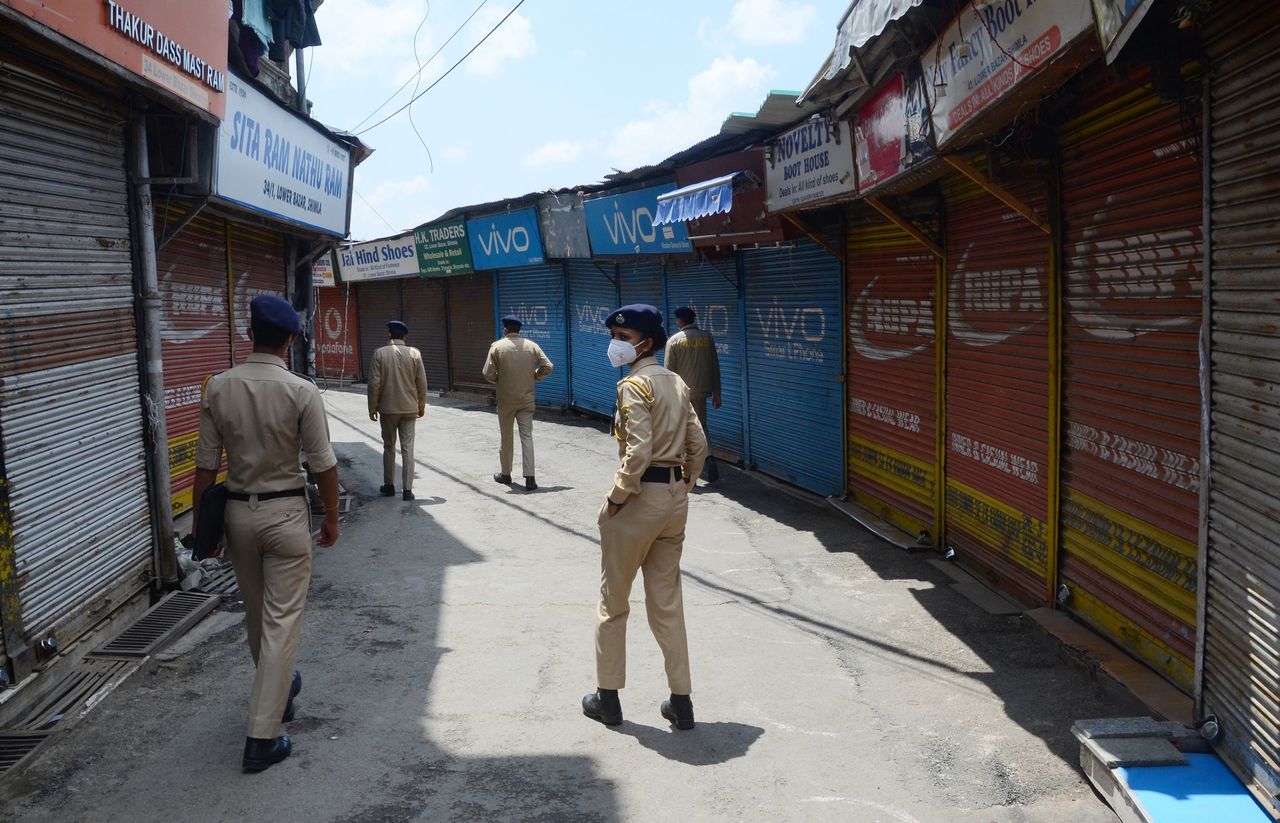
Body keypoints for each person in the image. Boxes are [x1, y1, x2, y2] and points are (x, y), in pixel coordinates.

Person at [192, 294, 340, 773]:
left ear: (248, 333)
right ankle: (262, 737)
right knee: (280, 624)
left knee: (258, 618)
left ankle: (279, 688)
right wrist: (333, 515)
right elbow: (323, 464)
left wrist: (201, 529)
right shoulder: (301, 391)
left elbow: (204, 468)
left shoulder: (217, 387)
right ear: (292, 339)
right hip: (285, 516)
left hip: (238, 516)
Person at [583, 304, 708, 731]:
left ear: (645, 343)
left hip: (639, 500)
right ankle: (682, 702)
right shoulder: (674, 382)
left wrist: (617, 498)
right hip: (674, 501)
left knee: (613, 601)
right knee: (667, 603)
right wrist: (685, 482)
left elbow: (637, 452)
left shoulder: (634, 386)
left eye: (623, 336)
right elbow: (699, 443)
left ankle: (608, 700)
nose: (615, 343)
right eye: (615, 335)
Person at [482, 314, 554, 491]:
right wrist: (535, 376)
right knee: (527, 436)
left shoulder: (497, 347)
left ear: (505, 329)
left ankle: (506, 475)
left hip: (506, 399)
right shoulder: (532, 346)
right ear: (519, 329)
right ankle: (530, 478)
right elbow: (548, 366)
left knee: (506, 437)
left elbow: (487, 373)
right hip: (526, 398)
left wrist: (499, 380)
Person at [367, 320, 428, 500]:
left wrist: (372, 407)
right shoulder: (415, 354)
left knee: (389, 447)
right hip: (409, 409)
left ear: (389, 335)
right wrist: (421, 405)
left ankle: (389, 486)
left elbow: (374, 384)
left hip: (387, 409)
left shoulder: (379, 354)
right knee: (408, 449)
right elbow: (422, 383)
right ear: (405, 336)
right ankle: (408, 490)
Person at [664, 306, 722, 483]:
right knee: (702, 427)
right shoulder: (707, 338)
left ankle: (689, 473)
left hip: (682, 394)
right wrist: (717, 392)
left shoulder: (673, 341)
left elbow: (668, 373)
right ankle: (709, 458)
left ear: (680, 321)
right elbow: (715, 366)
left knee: (682, 430)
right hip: (702, 391)